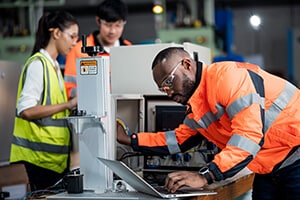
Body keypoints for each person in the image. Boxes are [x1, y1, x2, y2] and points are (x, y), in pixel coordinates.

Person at [117, 47, 300, 200]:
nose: (168, 93)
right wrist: (129, 139)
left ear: (187, 64)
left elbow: (248, 137)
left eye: (169, 82)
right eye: (163, 88)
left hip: (295, 158)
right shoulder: (197, 103)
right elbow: (178, 140)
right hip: (268, 168)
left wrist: (205, 175)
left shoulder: (229, 79)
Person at [10, 10, 79, 191]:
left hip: (54, 160)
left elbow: (53, 111)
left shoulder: (54, 66)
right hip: (39, 159)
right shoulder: (38, 65)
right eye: (72, 36)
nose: (75, 42)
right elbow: (26, 110)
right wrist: (68, 104)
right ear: (56, 33)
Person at [64, 0, 131, 100]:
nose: (112, 31)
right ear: (98, 21)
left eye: (118, 25)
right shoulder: (79, 50)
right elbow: (69, 88)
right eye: (108, 25)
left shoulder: (129, 50)